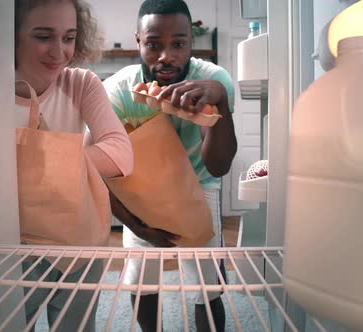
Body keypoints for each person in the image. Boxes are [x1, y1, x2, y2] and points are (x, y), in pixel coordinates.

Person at [103, 0, 237, 331]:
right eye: (153, 44)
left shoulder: (214, 81)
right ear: (138, 42)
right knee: (141, 280)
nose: (166, 56)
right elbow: (101, 171)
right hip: (142, 189)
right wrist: (137, 226)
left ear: (191, 42)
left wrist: (218, 98)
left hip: (200, 182)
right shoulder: (118, 92)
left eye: (178, 44)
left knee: (207, 286)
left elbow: (218, 166)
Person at [14, 0, 133, 331]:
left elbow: (121, 154)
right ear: (10, 35)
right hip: (15, 245)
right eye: (43, 36)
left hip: (79, 241)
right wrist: (65, 161)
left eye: (69, 37)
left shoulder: (81, 83)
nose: (59, 52)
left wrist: (34, 161)